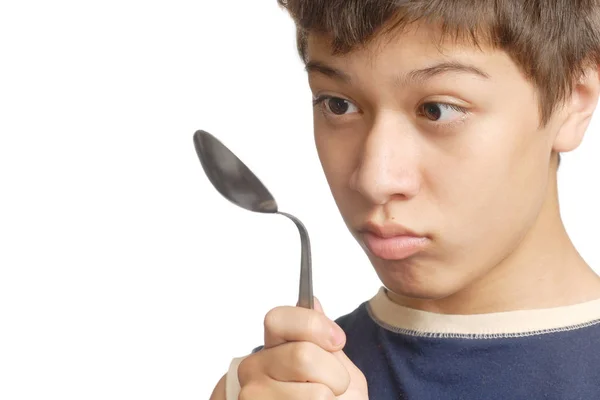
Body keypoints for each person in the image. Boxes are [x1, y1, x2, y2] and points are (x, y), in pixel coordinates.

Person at [210, 1, 600, 399]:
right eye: (337, 104)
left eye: (437, 110)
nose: (374, 179)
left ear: (575, 99)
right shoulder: (264, 388)